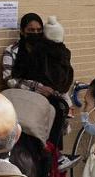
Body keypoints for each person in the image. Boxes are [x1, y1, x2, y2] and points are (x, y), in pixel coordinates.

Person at [7, 14, 74, 146]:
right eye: (31, 30)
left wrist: (67, 102)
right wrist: (37, 87)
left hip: (49, 103)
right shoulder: (12, 51)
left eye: (39, 30)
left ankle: (54, 156)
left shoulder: (48, 50)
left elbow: (57, 78)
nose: (35, 33)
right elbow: (9, 79)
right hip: (25, 103)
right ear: (22, 31)